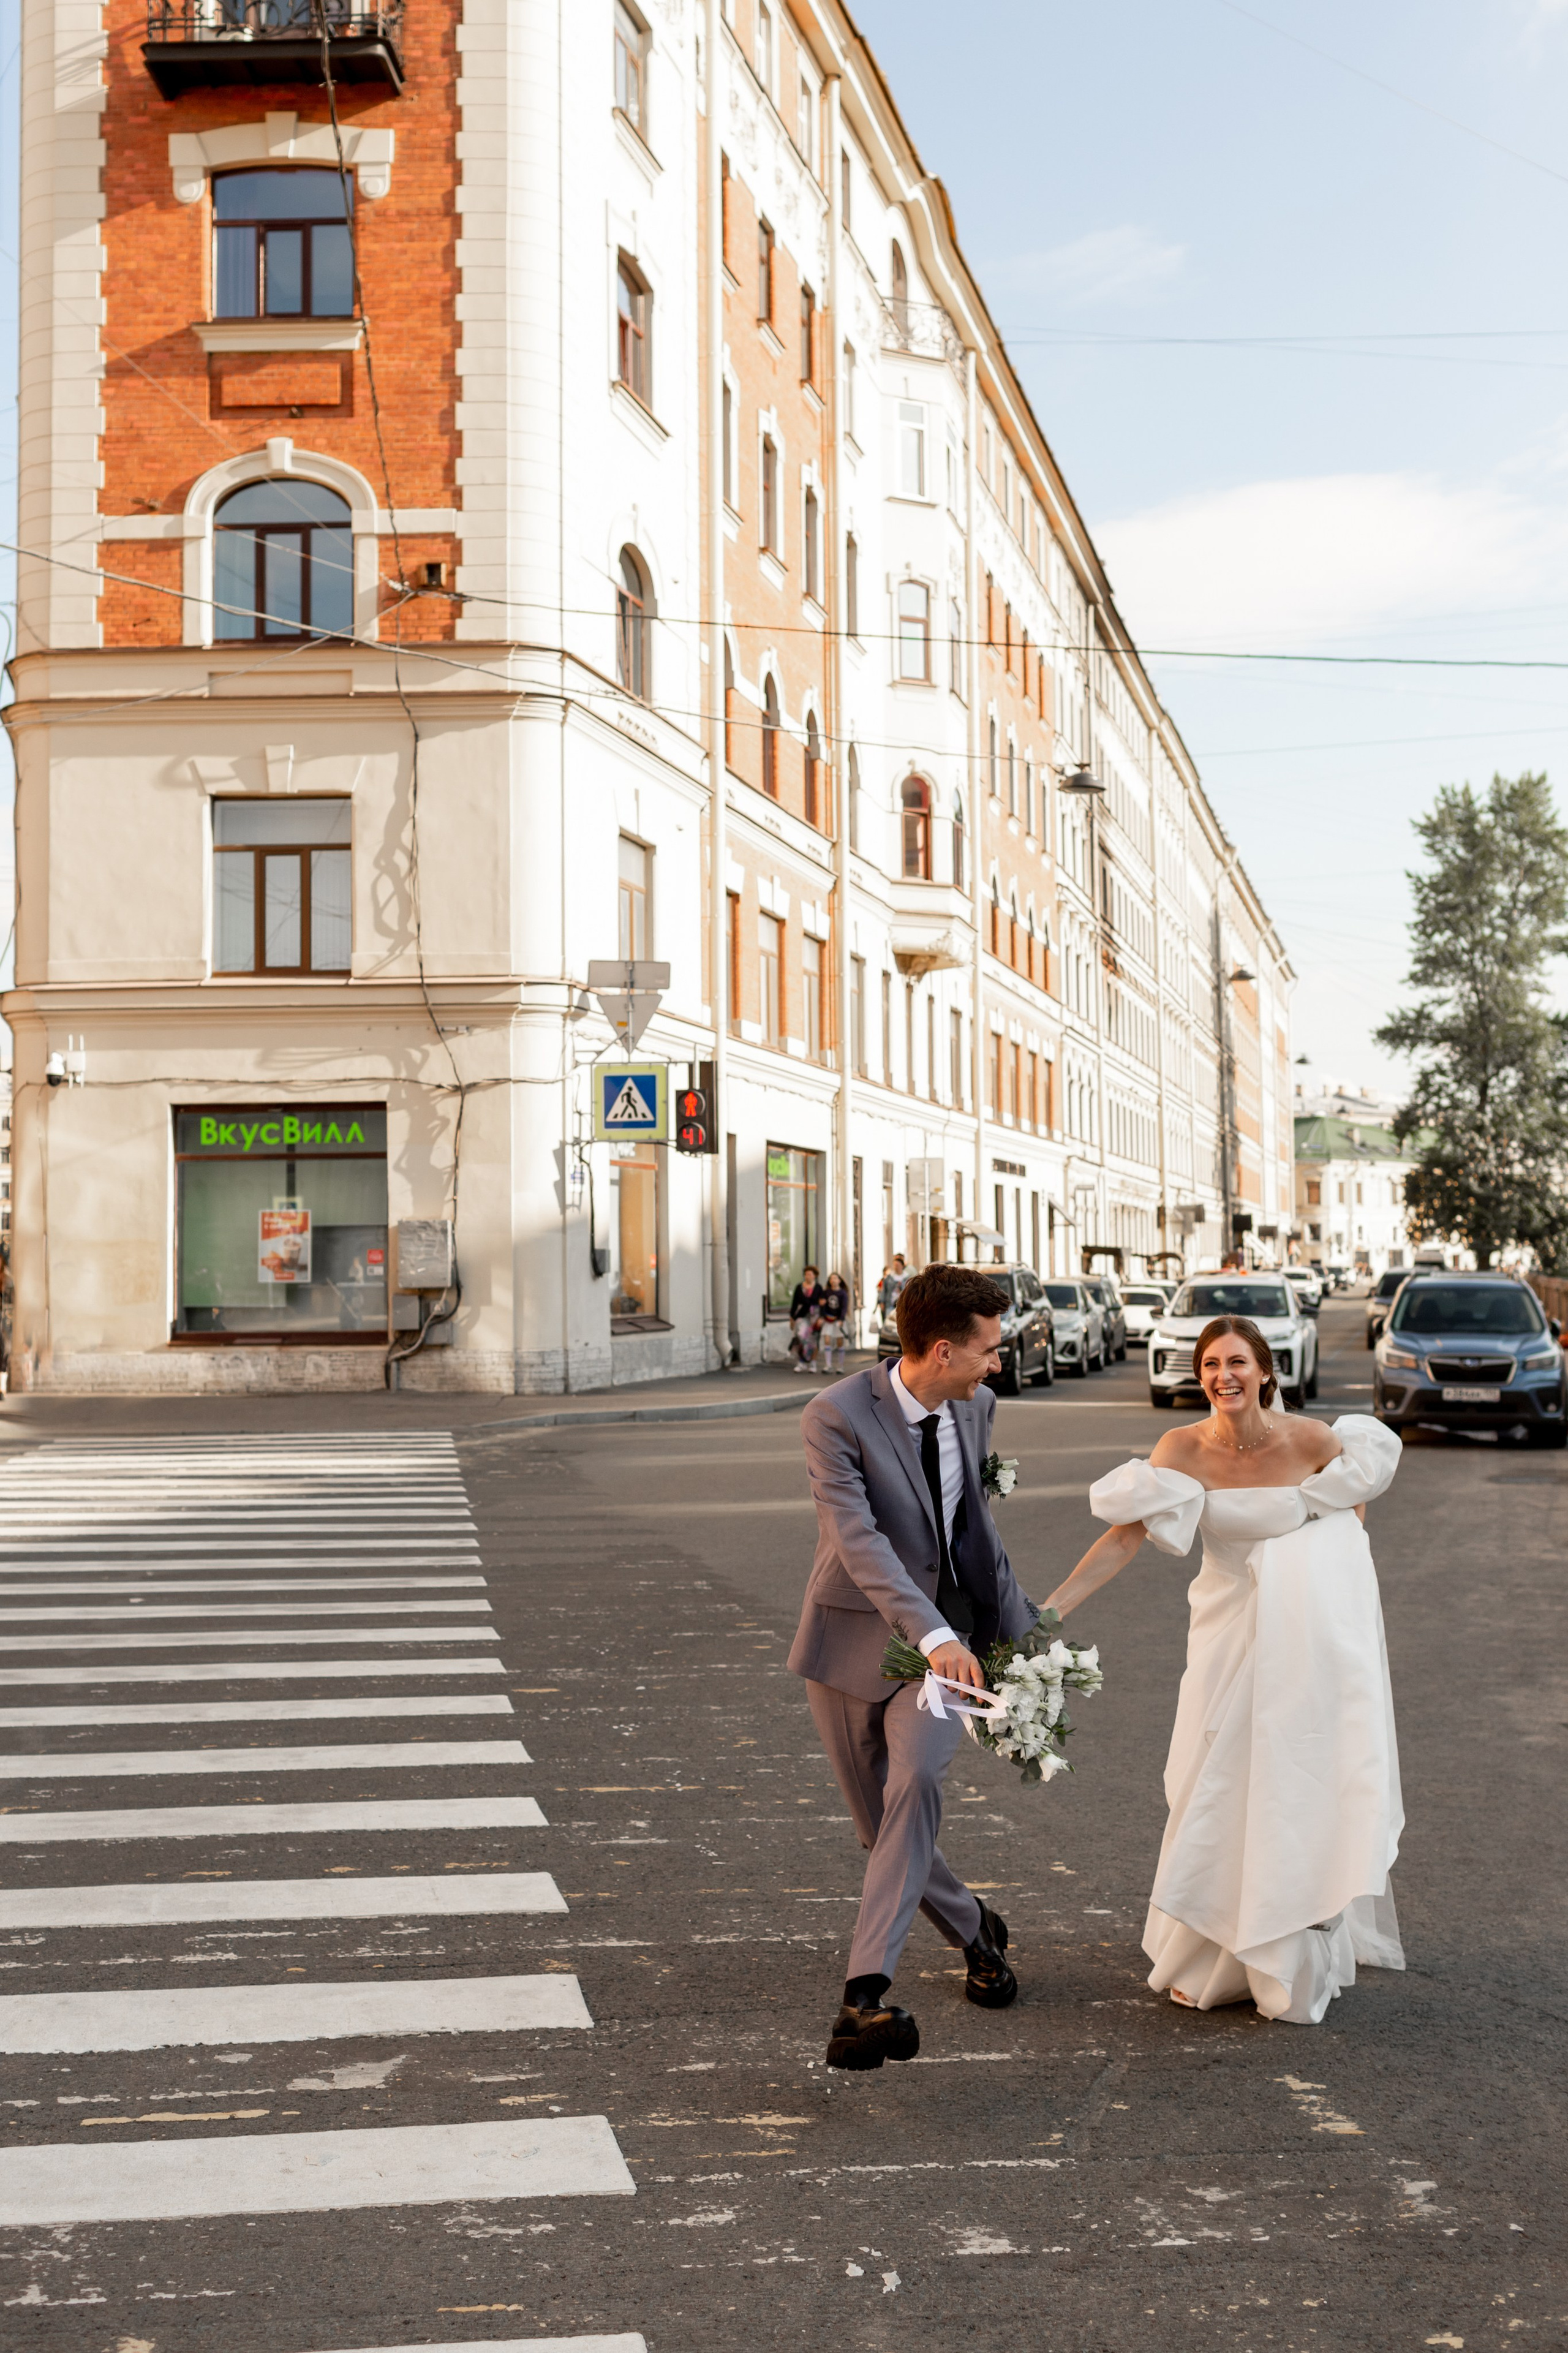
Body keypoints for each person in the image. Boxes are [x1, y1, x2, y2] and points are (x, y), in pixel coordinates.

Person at [1046, 1314, 1403, 2025]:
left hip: (1302, 1645)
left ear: (1265, 1371)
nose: (1222, 1376)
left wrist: (1323, 1590)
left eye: (1236, 1362)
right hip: (1222, 1632)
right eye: (1210, 1364)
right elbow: (1124, 1538)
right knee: (1203, 1780)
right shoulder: (1182, 1446)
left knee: (1287, 1784)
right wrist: (1046, 1613)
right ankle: (1208, 1950)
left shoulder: (1313, 1440)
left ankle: (1284, 1944)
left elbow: (1349, 1514)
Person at [788, 1263, 1039, 2069]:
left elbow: (975, 1530)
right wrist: (930, 1635)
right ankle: (975, 1927)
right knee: (882, 1828)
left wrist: (1020, 1633)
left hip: (949, 1652)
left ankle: (864, 1997)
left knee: (915, 1786)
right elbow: (858, 1541)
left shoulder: (980, 1408)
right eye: (988, 1350)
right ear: (940, 1351)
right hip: (855, 1638)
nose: (997, 1364)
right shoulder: (834, 1416)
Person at [788, 1267, 824, 1372]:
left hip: (815, 1316)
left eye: (810, 1274)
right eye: (806, 1274)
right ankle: (802, 1362)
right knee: (801, 1337)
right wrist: (792, 1318)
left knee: (813, 1340)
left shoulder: (818, 1288)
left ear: (815, 1275)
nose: (808, 1276)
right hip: (802, 1315)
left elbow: (822, 1303)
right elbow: (794, 1303)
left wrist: (821, 1317)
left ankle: (813, 1363)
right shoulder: (799, 1287)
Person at [816, 1270, 851, 1373]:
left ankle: (840, 1366)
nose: (833, 1281)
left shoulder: (843, 1294)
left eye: (835, 1278)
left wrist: (841, 1319)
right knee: (827, 1339)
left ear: (839, 1281)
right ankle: (828, 1365)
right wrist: (822, 1317)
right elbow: (822, 1305)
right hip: (828, 1319)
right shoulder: (826, 1292)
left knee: (839, 1342)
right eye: (831, 1279)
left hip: (838, 1320)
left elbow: (844, 1307)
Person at [876, 1255, 908, 1319]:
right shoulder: (889, 1278)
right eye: (895, 1265)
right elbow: (883, 1290)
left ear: (902, 1266)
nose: (896, 1267)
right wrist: (882, 1302)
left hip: (903, 1305)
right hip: (890, 1304)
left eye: (898, 1265)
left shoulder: (907, 1278)